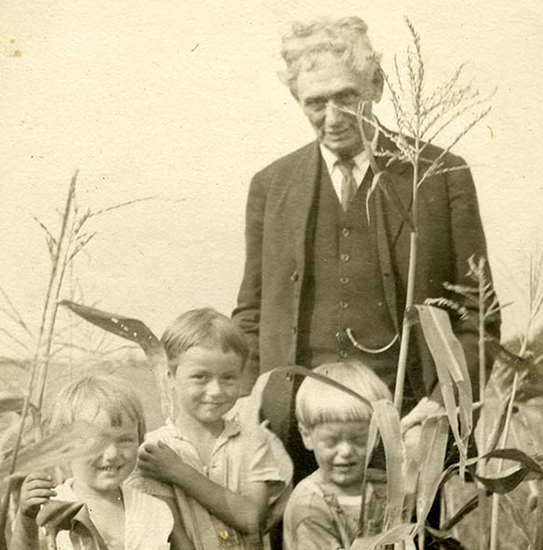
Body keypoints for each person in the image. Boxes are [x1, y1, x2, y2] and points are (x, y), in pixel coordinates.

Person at [232, 16, 500, 479]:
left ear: (376, 84)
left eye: (346, 97)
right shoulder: (271, 186)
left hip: (410, 428)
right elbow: (252, 316)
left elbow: (479, 318)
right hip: (294, 438)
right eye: (315, 102)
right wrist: (248, 415)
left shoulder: (441, 176)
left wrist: (441, 409)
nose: (332, 118)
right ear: (297, 98)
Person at [130, 308, 293, 549]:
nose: (216, 390)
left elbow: (250, 519)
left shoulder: (254, 440)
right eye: (200, 377)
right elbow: (173, 535)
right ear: (169, 377)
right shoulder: (154, 450)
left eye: (228, 377)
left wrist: (178, 471)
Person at [9, 375, 192, 550]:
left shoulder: (153, 511)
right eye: (97, 441)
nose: (112, 454)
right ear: (64, 448)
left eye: (125, 440)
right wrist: (27, 519)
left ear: (140, 439)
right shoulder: (49, 506)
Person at [284, 361, 391, 549]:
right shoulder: (309, 506)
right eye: (331, 441)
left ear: (377, 435)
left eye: (359, 439)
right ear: (307, 436)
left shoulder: (385, 487)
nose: (346, 451)